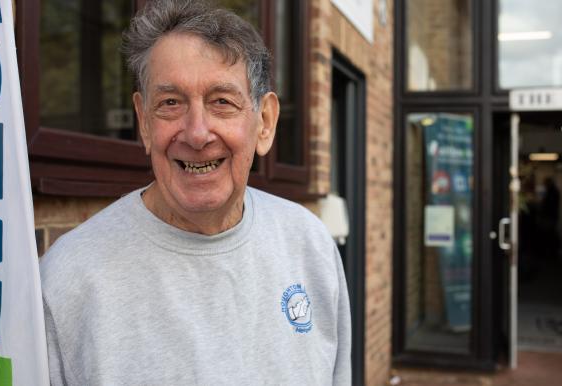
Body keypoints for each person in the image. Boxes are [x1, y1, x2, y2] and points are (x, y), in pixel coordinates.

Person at [39, 1, 351, 384]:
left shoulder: (309, 244)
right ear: (144, 123)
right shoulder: (68, 281)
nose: (197, 133)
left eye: (222, 101)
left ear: (265, 123)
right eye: (171, 103)